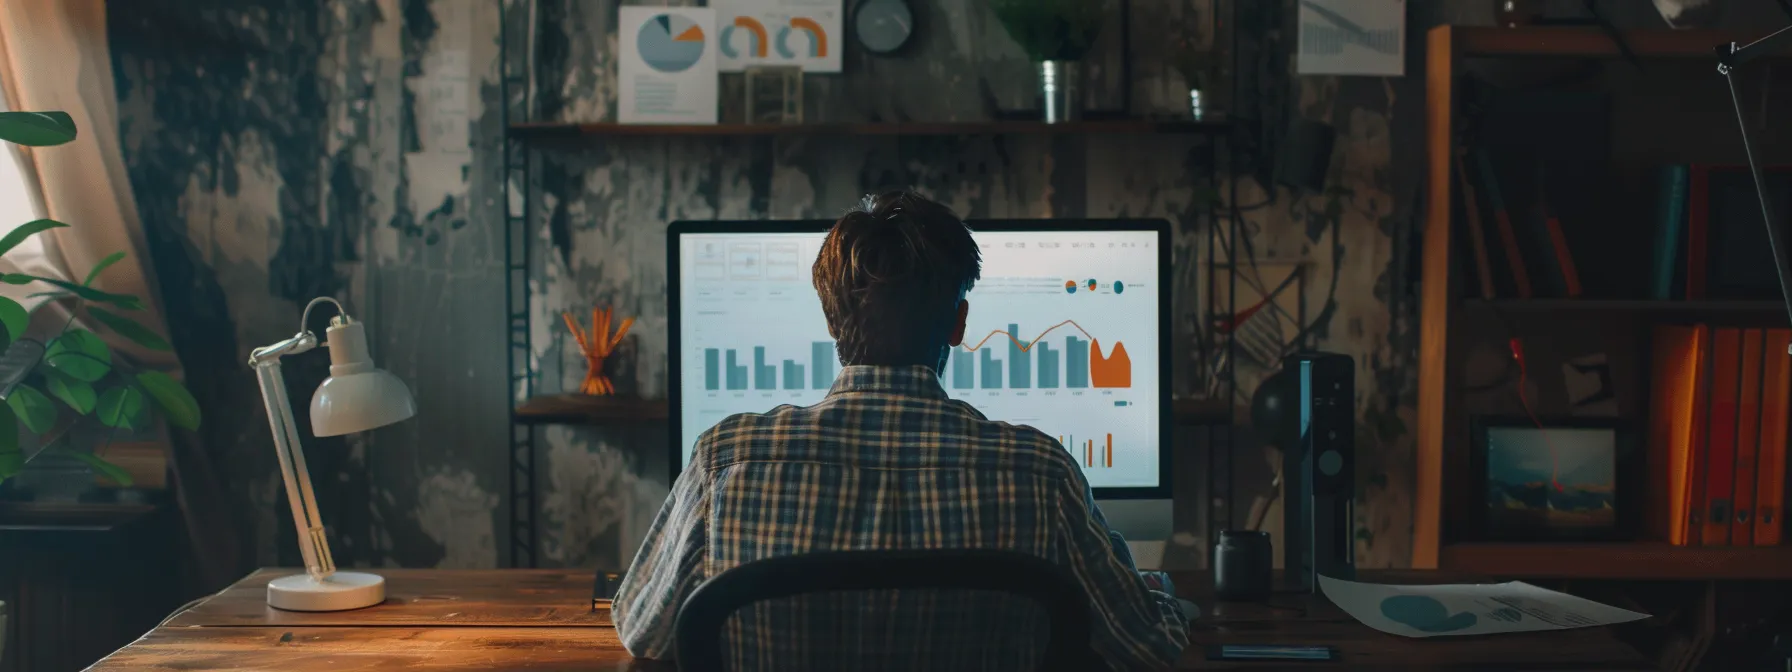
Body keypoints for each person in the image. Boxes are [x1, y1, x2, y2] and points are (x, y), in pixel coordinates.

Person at [613, 191, 1190, 670]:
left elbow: (643, 631)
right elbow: (1150, 650)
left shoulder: (725, 461)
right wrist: (1159, 599)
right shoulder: (1040, 472)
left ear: (830, 320)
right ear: (959, 323)